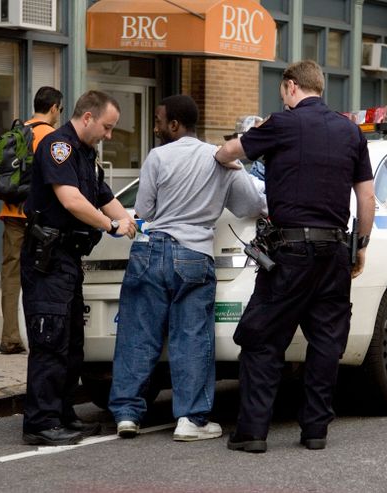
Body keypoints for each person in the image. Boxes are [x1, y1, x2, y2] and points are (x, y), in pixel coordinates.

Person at [215, 60, 376, 453]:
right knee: (326, 341)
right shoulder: (350, 131)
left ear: (290, 87)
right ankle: (315, 431)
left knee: (262, 339)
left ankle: (252, 432)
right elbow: (367, 196)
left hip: (288, 253)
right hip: (335, 252)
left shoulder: (279, 123)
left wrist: (234, 154)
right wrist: (361, 245)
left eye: (282, 91)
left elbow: (225, 154)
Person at [108, 95, 267, 441]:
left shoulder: (157, 156)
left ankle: (126, 414)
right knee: (191, 337)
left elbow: (145, 209)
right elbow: (250, 205)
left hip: (149, 253)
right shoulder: (221, 157)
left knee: (137, 333)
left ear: (175, 125)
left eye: (159, 119)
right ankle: (191, 420)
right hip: (194, 254)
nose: (155, 125)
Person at [21, 90, 137, 446]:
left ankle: (62, 414)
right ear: (87, 117)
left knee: (71, 344)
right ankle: (40, 422)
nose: (109, 135)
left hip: (68, 259)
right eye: (107, 127)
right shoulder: (59, 147)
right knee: (50, 340)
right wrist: (108, 225)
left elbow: (103, 196)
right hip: (49, 258)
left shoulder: (85, 153)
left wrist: (132, 222)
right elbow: (71, 200)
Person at [0, 86, 63, 355]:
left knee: (11, 276)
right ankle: (40, 335)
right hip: (40, 218)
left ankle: (10, 337)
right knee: (42, 275)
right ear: (55, 108)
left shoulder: (16, 131)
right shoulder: (52, 137)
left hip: (12, 213)